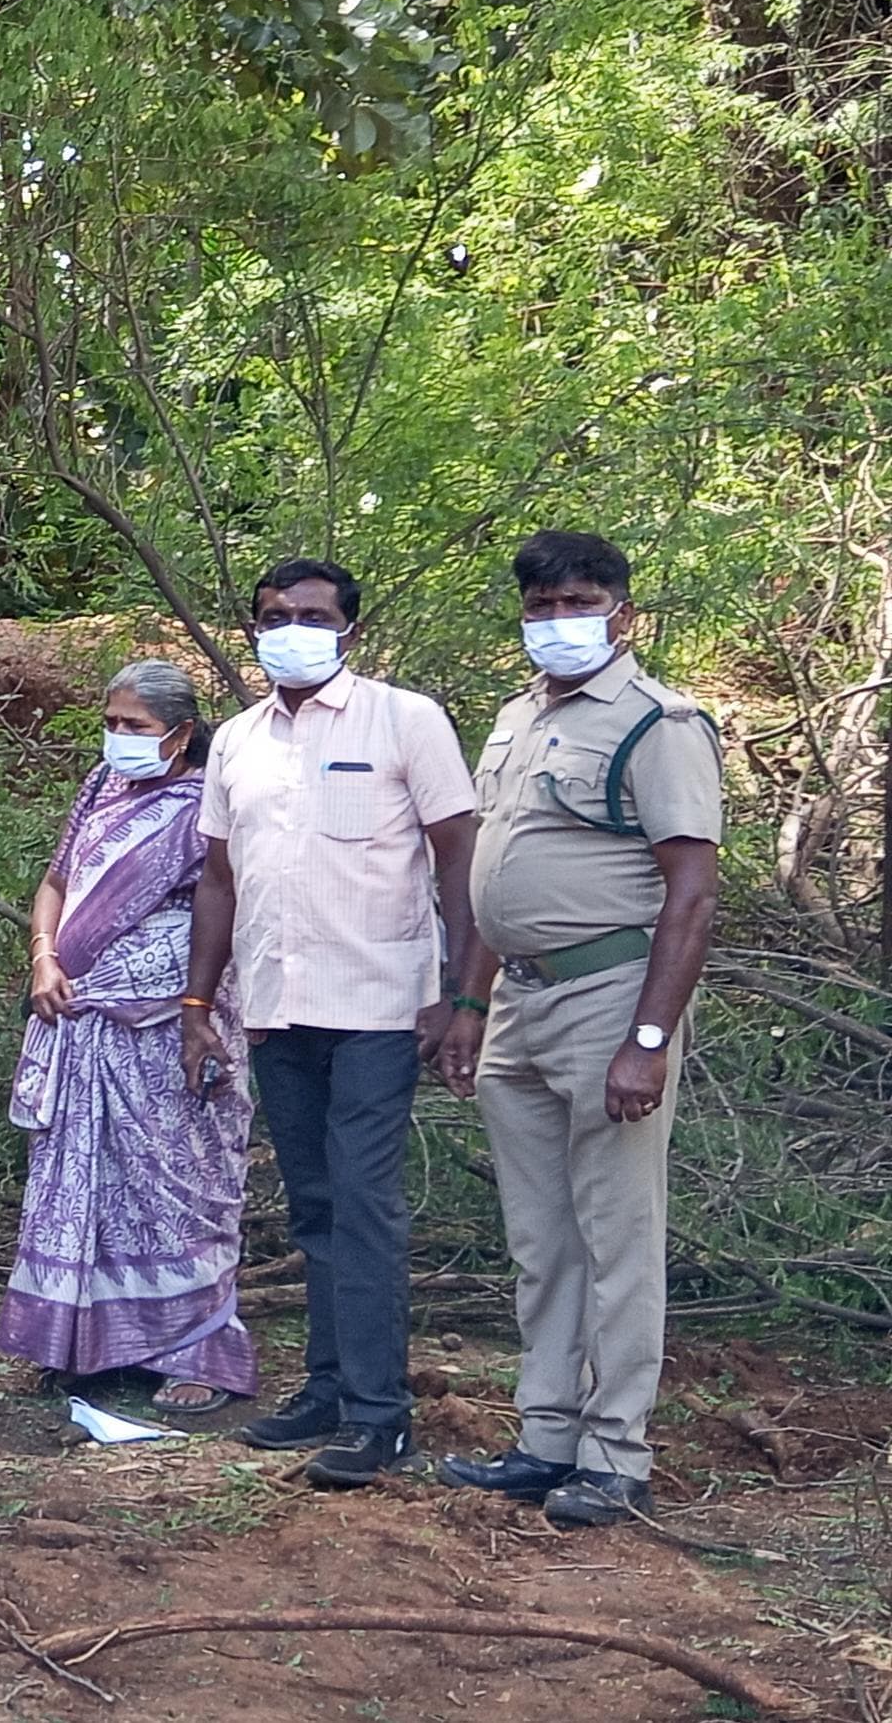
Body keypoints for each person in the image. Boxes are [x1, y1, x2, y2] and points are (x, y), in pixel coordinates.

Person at [435, 532, 722, 1529]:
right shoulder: (518, 716)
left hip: (607, 995)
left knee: (616, 1235)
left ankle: (614, 1454)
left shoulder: (657, 724)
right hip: (514, 1001)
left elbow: (687, 894)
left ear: (621, 614)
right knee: (539, 1238)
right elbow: (490, 876)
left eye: (579, 601)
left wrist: (645, 1040)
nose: (560, 620)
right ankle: (543, 1434)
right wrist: (468, 1003)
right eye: (542, 604)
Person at [186, 557, 478, 1487]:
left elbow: (460, 859)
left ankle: (380, 1414)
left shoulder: (405, 720)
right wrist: (199, 1003)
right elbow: (221, 881)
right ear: (254, 630)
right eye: (275, 616)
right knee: (313, 1207)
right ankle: (326, 1390)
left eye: (312, 615)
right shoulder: (236, 741)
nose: (292, 629)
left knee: (364, 1205)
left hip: (381, 1008)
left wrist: (460, 993)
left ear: (348, 627)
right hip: (276, 1010)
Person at [0, 659, 252, 1413]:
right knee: (88, 1187)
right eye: (111, 724)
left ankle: (196, 1348)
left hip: (168, 1027)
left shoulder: (205, 800)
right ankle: (88, 1345)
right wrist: (44, 956)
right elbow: (57, 884)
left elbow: (223, 901)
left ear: (179, 734)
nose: (118, 739)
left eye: (134, 728)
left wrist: (178, 994)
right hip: (76, 1018)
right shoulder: (99, 789)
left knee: (175, 1185)